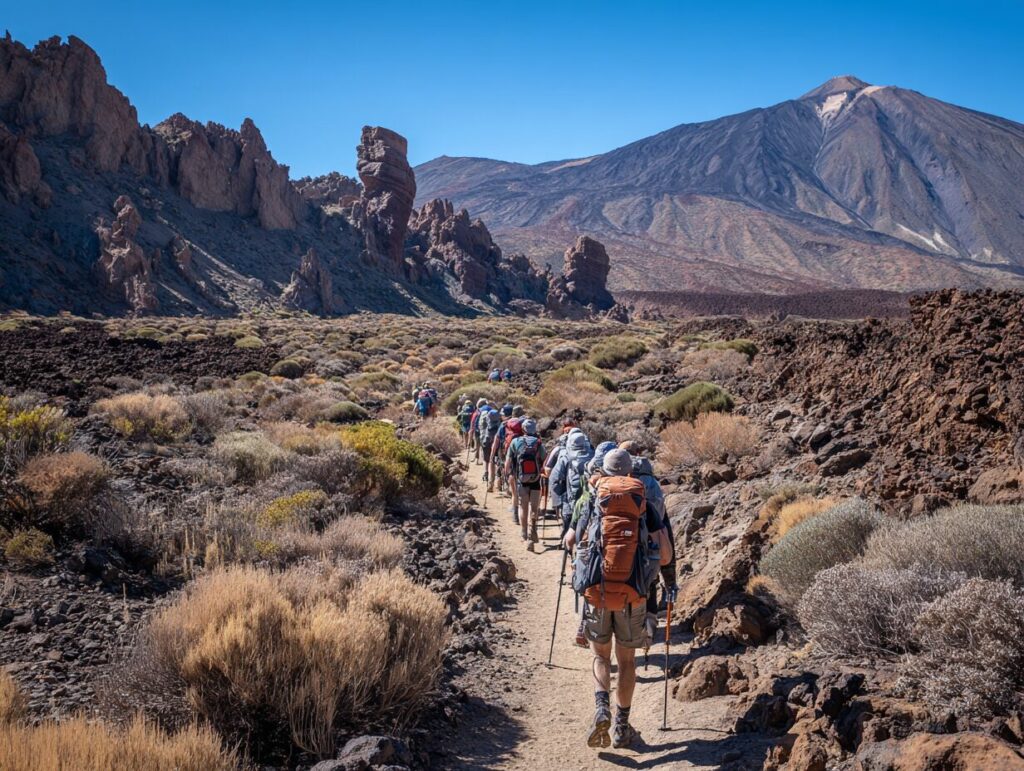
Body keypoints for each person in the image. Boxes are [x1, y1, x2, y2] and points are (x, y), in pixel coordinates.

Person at [564, 448, 672, 750]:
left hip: (598, 593)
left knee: (601, 656)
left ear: (604, 471)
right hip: (634, 594)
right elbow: (665, 557)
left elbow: (571, 540)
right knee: (627, 661)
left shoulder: (594, 501)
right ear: (630, 473)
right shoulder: (643, 504)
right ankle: (622, 726)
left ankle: (601, 708)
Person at [505, 418, 545, 551]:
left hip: (521, 480)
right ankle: (533, 529)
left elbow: (508, 461)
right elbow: (545, 461)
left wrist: (507, 474)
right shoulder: (539, 443)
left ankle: (524, 534)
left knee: (523, 507)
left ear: (523, 429)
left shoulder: (516, 442)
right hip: (536, 480)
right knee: (534, 508)